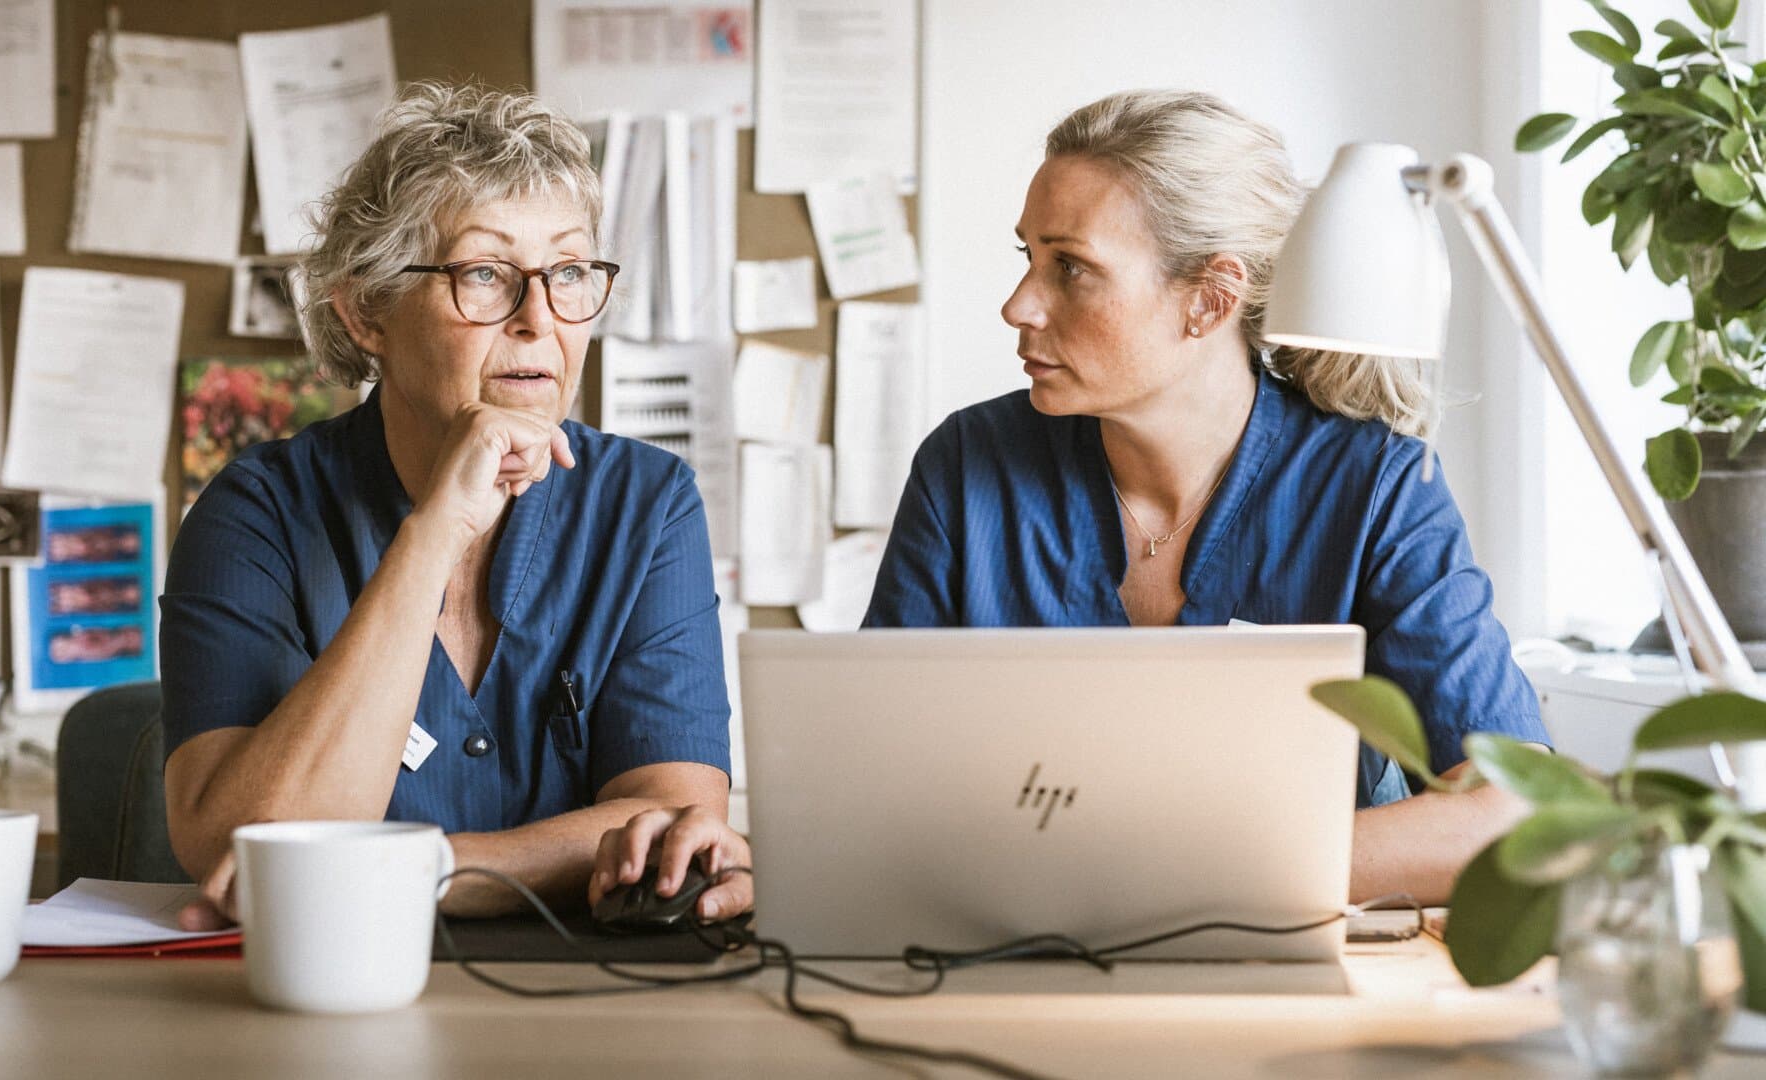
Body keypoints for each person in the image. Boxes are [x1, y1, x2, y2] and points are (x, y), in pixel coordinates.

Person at [594, 88, 1549, 914]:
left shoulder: (1377, 489)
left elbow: (1513, 810)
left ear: (1209, 299)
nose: (1019, 304)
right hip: (1003, 950)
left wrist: (1170, 873)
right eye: (1028, 257)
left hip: (1282, 971)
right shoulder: (969, 466)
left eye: (1070, 266)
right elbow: (868, 788)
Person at [160, 83, 748, 928]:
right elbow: (242, 850)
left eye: (569, 272)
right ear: (367, 312)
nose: (539, 319)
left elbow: (673, 830)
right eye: (484, 274)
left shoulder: (646, 503)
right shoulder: (255, 512)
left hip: (583, 986)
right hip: (324, 979)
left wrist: (420, 869)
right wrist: (434, 532)